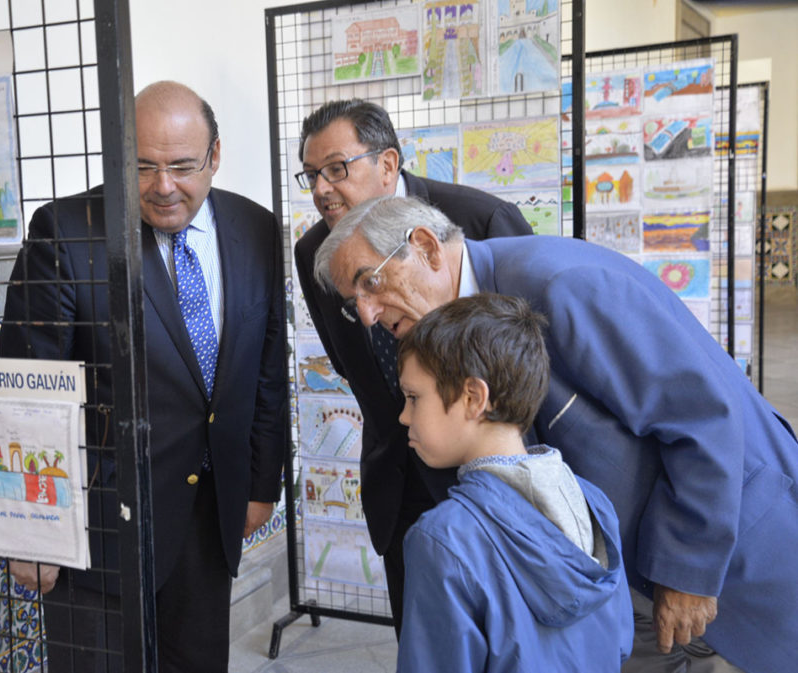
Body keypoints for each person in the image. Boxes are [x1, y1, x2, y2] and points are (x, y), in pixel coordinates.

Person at [315, 195, 798, 673]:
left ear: (425, 246)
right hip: (625, 586)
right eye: (352, 303)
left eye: (370, 283)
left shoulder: (561, 284)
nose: (368, 314)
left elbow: (701, 414)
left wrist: (689, 569)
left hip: (731, 552)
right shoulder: (446, 334)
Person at [0, 81, 287, 673]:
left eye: (182, 166)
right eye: (144, 166)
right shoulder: (67, 231)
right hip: (103, 525)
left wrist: (261, 483)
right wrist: (31, 532)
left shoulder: (255, 228)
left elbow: (264, 370)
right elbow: (25, 392)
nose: (163, 187)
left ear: (215, 155)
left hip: (208, 515)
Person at [292, 99, 533, 631]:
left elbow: (529, 356)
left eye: (336, 168)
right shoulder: (316, 251)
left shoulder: (476, 221)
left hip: (496, 491)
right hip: (400, 488)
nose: (321, 188)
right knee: (423, 640)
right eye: (311, 175)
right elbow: (349, 360)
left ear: (387, 163)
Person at [395, 293, 633, 672]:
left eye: (413, 397)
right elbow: (618, 642)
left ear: (474, 397)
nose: (404, 417)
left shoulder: (443, 540)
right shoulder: (594, 503)